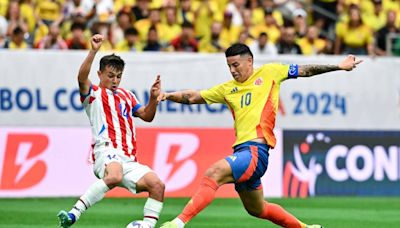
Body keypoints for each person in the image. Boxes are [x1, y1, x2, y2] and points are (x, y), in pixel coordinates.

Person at [159, 43, 362, 228]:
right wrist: (167, 95)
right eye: (229, 66)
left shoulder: (270, 72)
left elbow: (305, 70)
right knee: (258, 209)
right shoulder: (227, 89)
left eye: (236, 65)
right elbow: (193, 96)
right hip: (243, 153)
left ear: (250, 61)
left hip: (256, 151)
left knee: (214, 173)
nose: (232, 70)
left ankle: (177, 223)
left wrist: (337, 66)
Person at [57, 34, 165, 228]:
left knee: (157, 185)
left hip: (129, 159)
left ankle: (145, 226)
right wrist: (93, 51)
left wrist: (153, 98)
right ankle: (74, 214)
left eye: (118, 76)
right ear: (99, 74)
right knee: (114, 176)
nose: (115, 81)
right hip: (105, 151)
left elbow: (147, 115)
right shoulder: (94, 94)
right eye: (110, 76)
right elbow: (81, 77)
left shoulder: (127, 95)